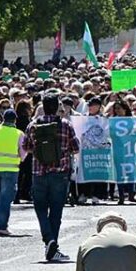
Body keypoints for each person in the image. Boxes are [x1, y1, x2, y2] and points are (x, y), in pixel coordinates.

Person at [23, 93, 80, 262]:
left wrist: (41, 152)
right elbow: (75, 148)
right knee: (56, 211)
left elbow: (26, 147)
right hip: (60, 173)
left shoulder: (33, 125)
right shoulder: (65, 125)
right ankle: (52, 246)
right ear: (57, 107)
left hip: (38, 173)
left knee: (40, 209)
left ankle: (49, 240)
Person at [0, 109, 26, 236]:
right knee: (5, 199)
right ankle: (2, 226)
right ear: (15, 120)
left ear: (2, 118)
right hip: (10, 169)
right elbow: (23, 155)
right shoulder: (18, 133)